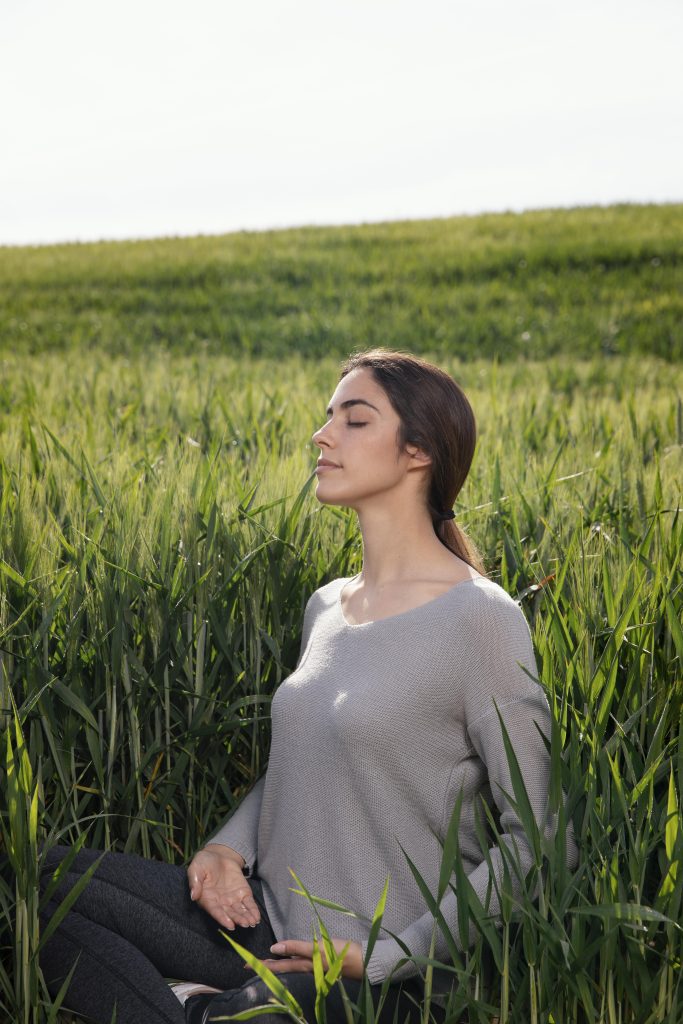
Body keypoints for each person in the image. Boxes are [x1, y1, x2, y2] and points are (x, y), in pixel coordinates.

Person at [40, 349, 573, 1024]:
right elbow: (304, 760)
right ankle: (210, 1010)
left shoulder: (480, 619)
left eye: (353, 419)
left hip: (378, 976)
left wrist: (384, 953)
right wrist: (225, 849)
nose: (323, 435)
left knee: (274, 1010)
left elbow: (541, 839)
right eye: (327, 418)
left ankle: (196, 1009)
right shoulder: (325, 605)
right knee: (34, 886)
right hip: (260, 929)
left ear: (418, 452)